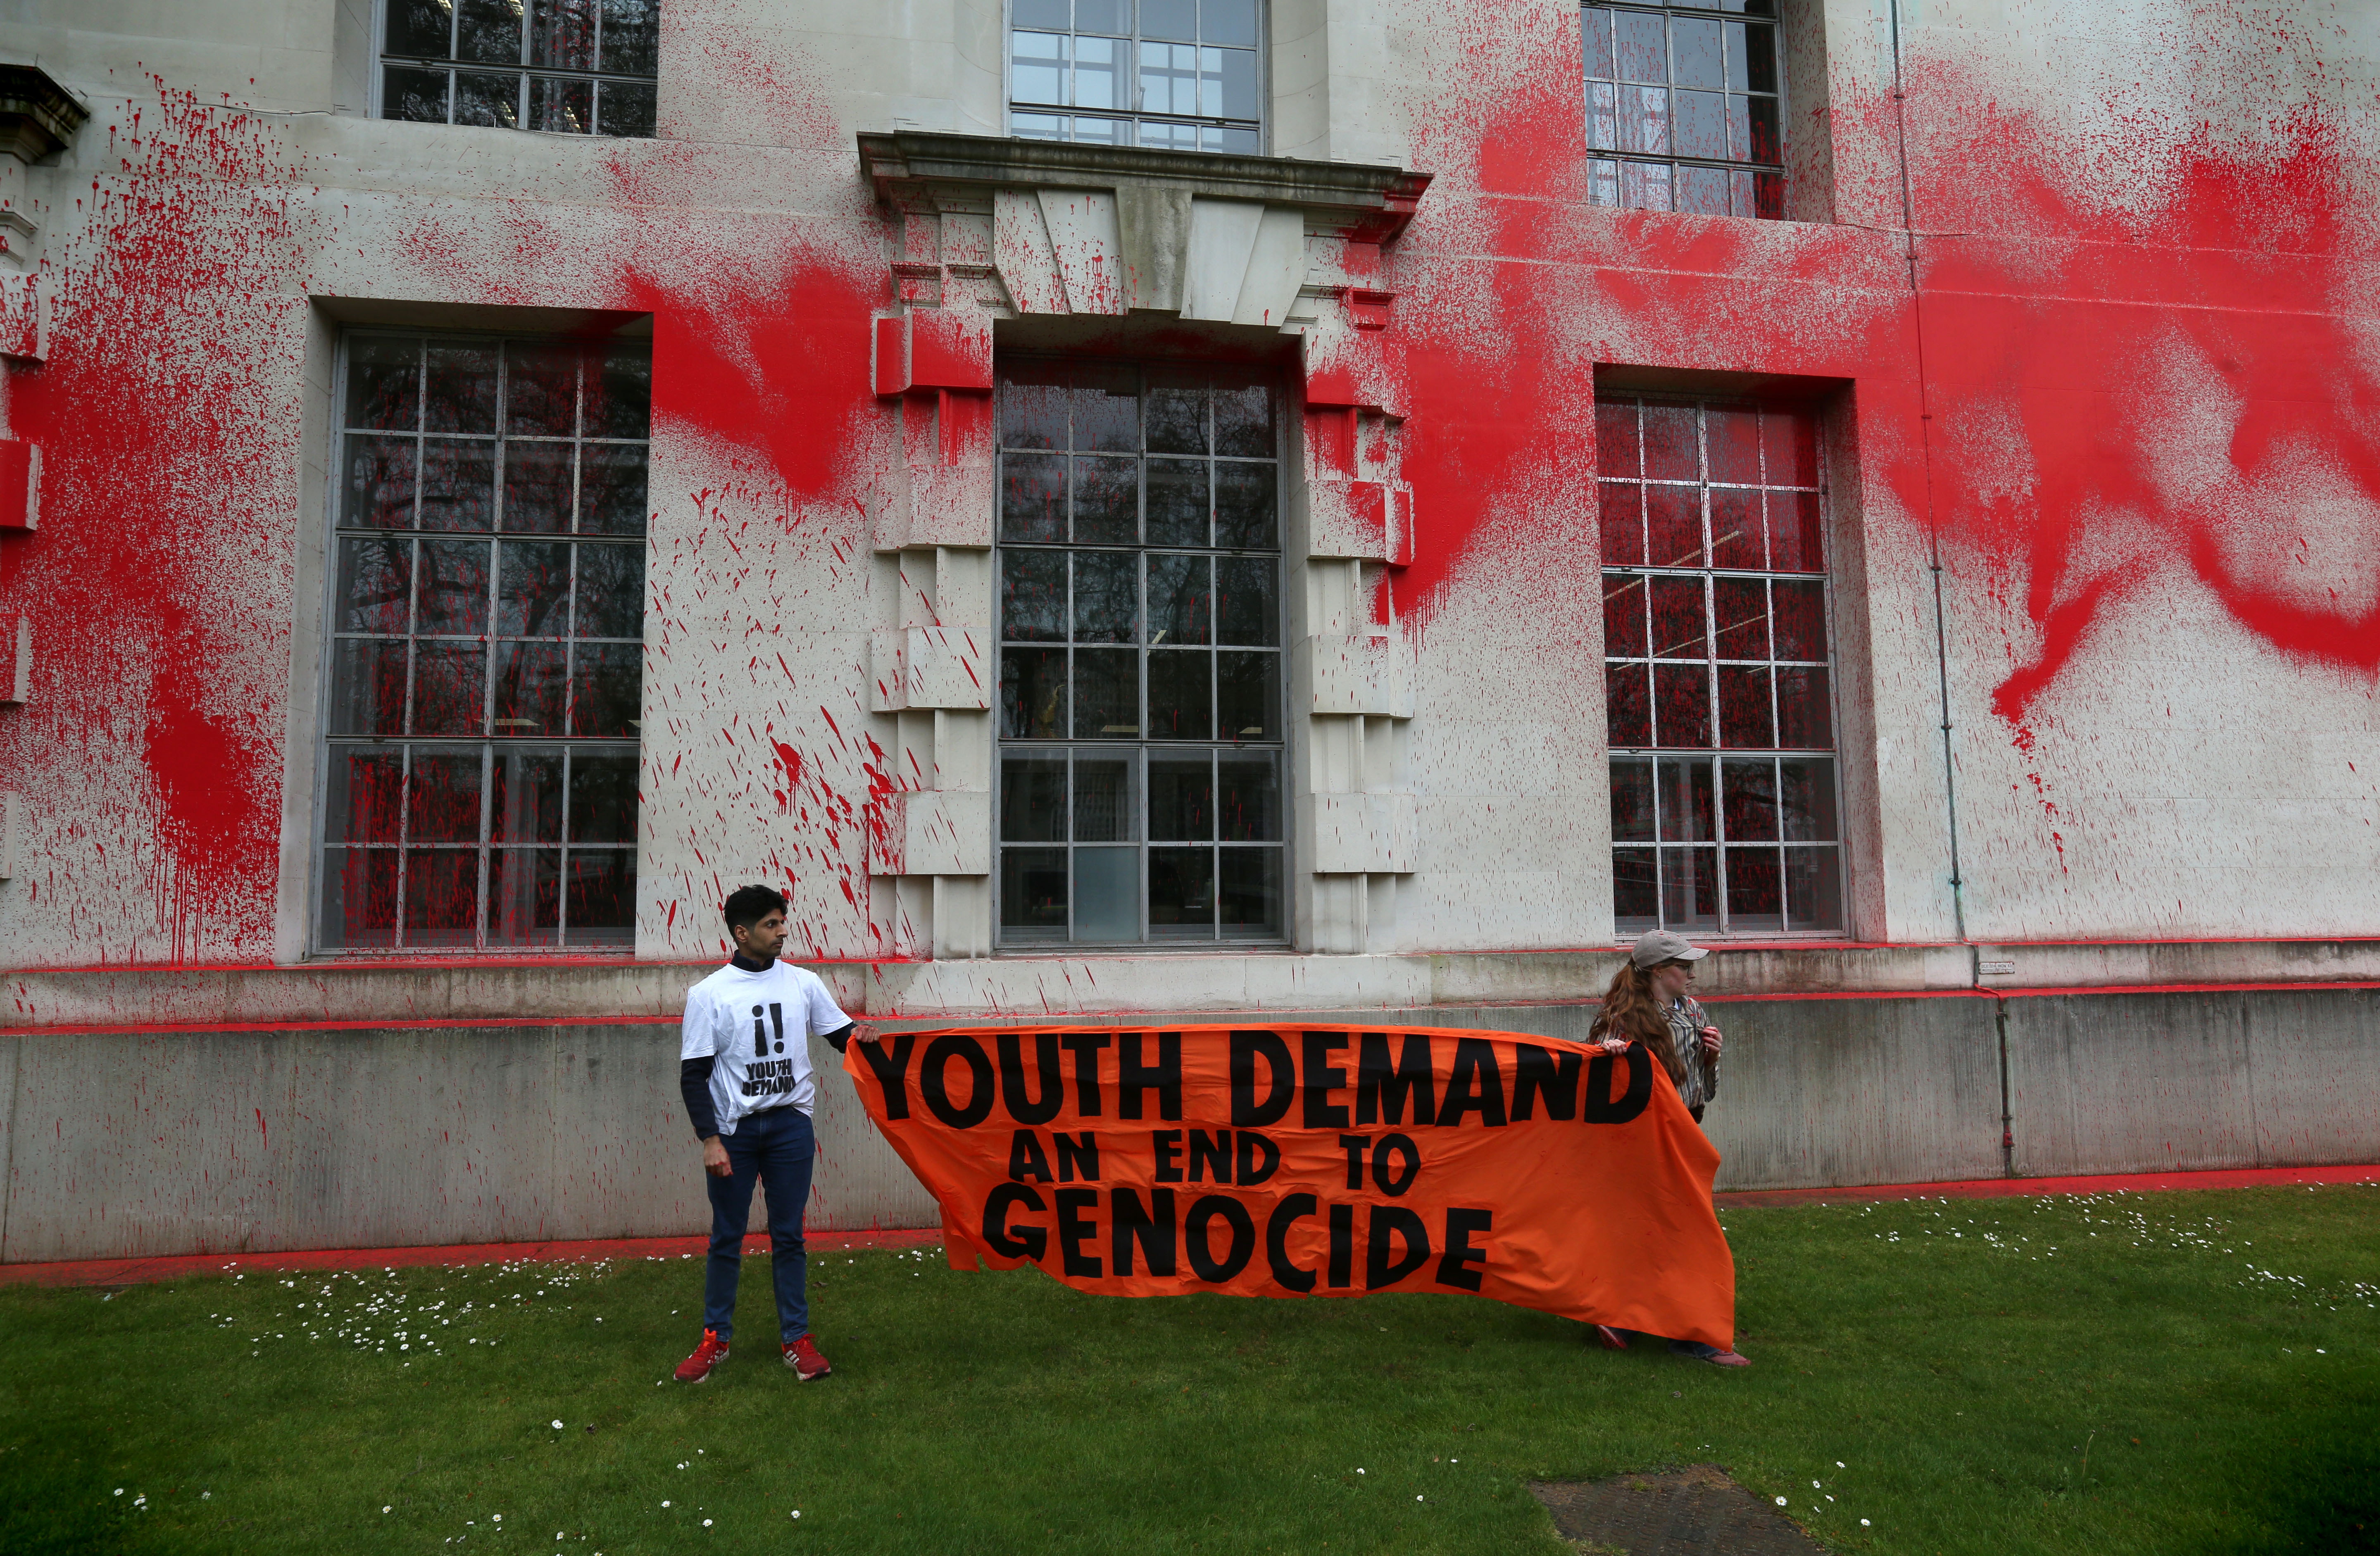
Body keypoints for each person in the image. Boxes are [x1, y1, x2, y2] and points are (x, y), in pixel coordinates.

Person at [672, 885, 863, 1384]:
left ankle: (796, 1340)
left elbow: (843, 1038)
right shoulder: (709, 993)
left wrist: (869, 1039)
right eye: (771, 924)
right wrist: (709, 1139)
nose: (783, 932)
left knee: (789, 1236)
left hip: (789, 1128)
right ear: (741, 932)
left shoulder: (803, 983)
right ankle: (716, 1340)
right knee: (726, 1237)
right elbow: (694, 1075)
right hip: (733, 1133)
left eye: (783, 922)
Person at [1586, 927, 1749, 1368]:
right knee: (1683, 1231)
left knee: (1662, 1229)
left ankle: (1623, 1317)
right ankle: (1691, 1334)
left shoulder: (1693, 1010)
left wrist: (1712, 1057)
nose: (1692, 974)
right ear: (1659, 971)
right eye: (1684, 966)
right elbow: (1596, 1080)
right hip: (1647, 1141)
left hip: (1687, 1132)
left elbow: (1701, 1091)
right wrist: (1610, 1056)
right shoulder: (1622, 1018)